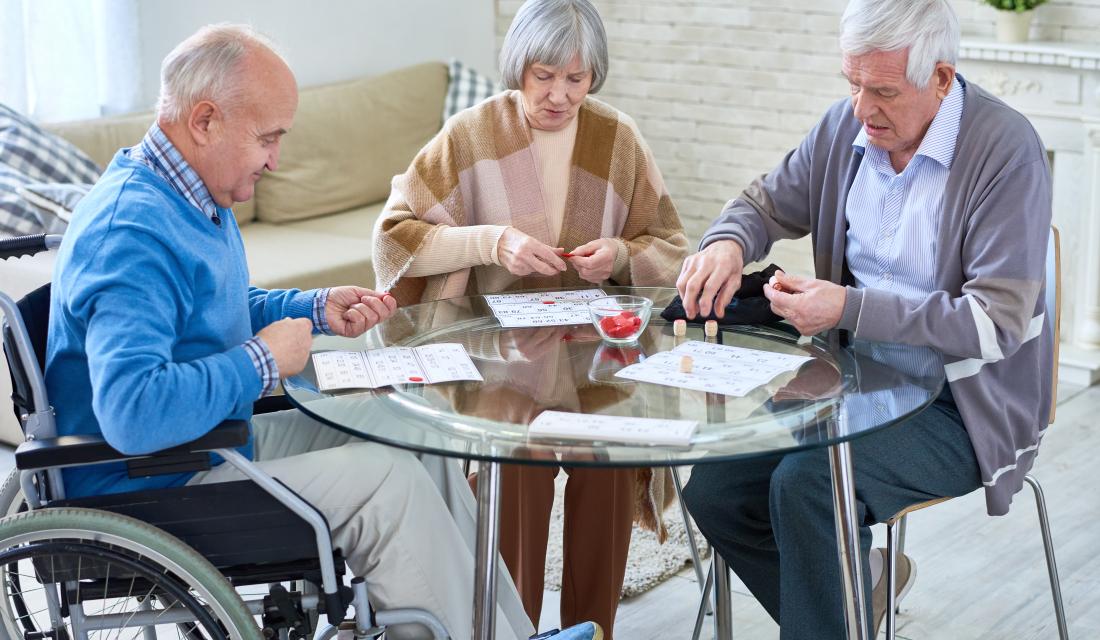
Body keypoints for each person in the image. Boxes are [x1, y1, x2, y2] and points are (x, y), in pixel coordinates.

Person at [45, 24, 603, 640]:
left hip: (203, 446)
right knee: (384, 484)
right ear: (205, 121)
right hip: (151, 484)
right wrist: (262, 361)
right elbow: (132, 411)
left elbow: (211, 309)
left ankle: (513, 634)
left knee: (412, 428)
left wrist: (312, 308)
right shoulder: (133, 233)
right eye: (268, 138)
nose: (276, 160)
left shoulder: (190, 196)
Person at [675, 0, 1053, 637]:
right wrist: (728, 243)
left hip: (959, 405)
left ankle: (837, 608)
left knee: (806, 488)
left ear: (940, 77)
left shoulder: (1005, 150)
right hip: (851, 383)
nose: (862, 108)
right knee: (715, 492)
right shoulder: (846, 131)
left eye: (882, 90)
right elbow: (764, 203)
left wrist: (848, 307)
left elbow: (996, 323)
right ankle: (858, 590)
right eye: (852, 83)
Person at [373, 1, 688, 635]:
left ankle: (590, 630)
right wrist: (494, 242)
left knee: (608, 461)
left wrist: (621, 255)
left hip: (598, 360)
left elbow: (672, 246)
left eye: (577, 79)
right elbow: (395, 236)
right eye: (544, 75)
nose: (560, 95)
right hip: (501, 363)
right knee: (520, 464)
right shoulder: (469, 135)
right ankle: (512, 627)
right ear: (518, 65)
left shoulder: (617, 137)